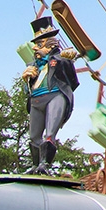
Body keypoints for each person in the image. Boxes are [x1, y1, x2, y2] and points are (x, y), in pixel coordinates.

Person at [22, 16, 82, 173]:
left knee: (50, 133)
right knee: (34, 136)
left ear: (50, 45)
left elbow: (72, 80)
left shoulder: (59, 60)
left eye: (39, 44)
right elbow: (27, 91)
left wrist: (68, 60)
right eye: (35, 45)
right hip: (36, 100)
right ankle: (35, 165)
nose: (34, 49)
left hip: (54, 96)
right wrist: (26, 79)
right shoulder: (33, 66)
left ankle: (45, 163)